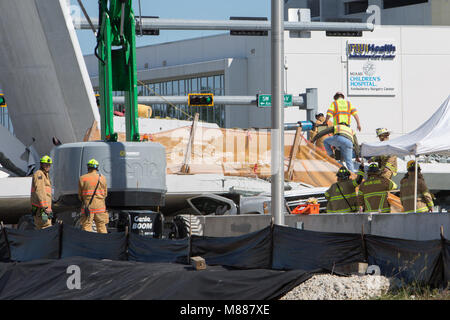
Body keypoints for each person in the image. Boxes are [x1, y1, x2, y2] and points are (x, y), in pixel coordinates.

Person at [78, 159, 109, 233]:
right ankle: (104, 243)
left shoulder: (83, 178)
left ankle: (88, 243)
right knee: (101, 226)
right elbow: (105, 194)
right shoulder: (103, 178)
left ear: (88, 167)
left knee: (87, 226)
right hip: (100, 207)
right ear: (97, 168)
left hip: (88, 207)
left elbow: (80, 195)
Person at [30, 155, 53, 229]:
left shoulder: (45, 175)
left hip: (42, 207)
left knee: (41, 228)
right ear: (41, 164)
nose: (47, 166)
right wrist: (45, 207)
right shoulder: (39, 174)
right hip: (41, 208)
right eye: (45, 164)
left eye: (49, 165)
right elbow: (40, 190)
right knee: (46, 227)